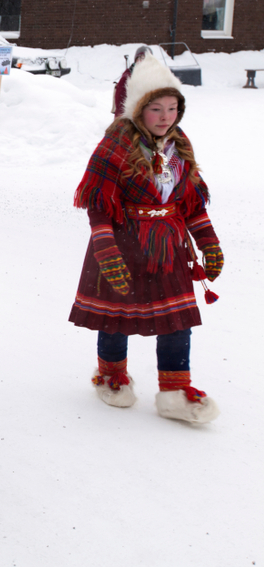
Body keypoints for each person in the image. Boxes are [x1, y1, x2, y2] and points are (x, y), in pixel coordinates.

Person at [69, 55, 223, 424]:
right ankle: (111, 375)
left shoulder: (180, 147)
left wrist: (209, 242)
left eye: (172, 108)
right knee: (115, 319)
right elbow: (98, 205)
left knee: (176, 320)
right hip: (123, 244)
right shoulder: (115, 145)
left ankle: (174, 391)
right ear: (138, 109)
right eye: (156, 108)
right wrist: (106, 252)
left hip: (168, 248)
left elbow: (190, 202)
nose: (166, 116)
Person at [113, 45, 152, 118]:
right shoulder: (127, 77)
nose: (143, 61)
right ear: (136, 60)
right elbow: (120, 103)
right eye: (141, 58)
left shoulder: (154, 77)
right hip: (129, 119)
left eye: (147, 59)